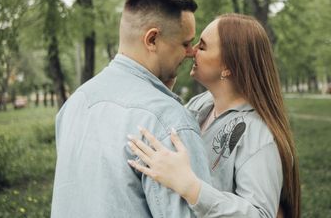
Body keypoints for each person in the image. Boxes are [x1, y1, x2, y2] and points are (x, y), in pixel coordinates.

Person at [51, 0, 212, 217]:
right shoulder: (169, 123)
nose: (191, 53)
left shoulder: (75, 104)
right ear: (152, 40)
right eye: (186, 43)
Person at [128, 13, 301, 218]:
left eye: (202, 47)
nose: (191, 52)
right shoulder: (201, 105)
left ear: (228, 66)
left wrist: (191, 187)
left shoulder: (258, 134)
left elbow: (260, 214)